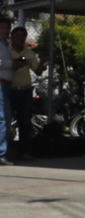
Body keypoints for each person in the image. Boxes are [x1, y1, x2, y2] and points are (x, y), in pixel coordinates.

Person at [9, 25, 44, 161]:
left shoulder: (29, 53)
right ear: (12, 37)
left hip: (25, 91)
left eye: (23, 36)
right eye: (18, 35)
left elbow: (38, 71)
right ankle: (4, 152)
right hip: (10, 90)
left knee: (25, 122)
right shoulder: (6, 51)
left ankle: (23, 152)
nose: (21, 38)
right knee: (5, 121)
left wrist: (41, 63)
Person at [0, 16, 12, 166]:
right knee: (3, 118)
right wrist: (11, 64)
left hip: (7, 85)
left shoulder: (5, 44)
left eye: (8, 28)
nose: (6, 30)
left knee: (5, 118)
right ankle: (1, 153)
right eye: (3, 27)